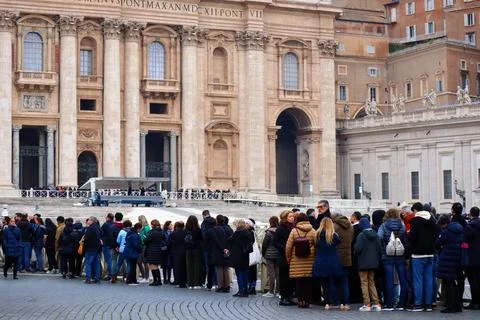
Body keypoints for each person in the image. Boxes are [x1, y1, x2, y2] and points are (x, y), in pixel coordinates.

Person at [408, 202, 440, 312]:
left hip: (418, 254)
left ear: (415, 211)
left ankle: (418, 304)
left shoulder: (416, 221)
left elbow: (412, 237)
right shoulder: (432, 220)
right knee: (429, 279)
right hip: (430, 253)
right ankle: (429, 304)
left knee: (418, 279)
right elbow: (437, 233)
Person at [377, 208, 407, 311]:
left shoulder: (384, 225)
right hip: (400, 255)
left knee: (389, 280)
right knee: (403, 280)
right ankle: (401, 304)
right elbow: (405, 239)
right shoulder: (402, 225)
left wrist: (383, 248)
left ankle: (389, 304)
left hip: (387, 255)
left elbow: (379, 237)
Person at [312, 217, 345, 310]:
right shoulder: (334, 236)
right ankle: (342, 303)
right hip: (333, 261)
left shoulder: (317, 235)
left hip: (321, 261)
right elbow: (338, 242)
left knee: (325, 284)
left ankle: (327, 303)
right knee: (338, 283)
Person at [285, 212, 316, 308]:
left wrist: (288, 258)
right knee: (308, 282)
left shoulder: (294, 231)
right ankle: (307, 301)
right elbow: (316, 245)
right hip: (309, 260)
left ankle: (300, 301)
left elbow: (288, 247)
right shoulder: (312, 231)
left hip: (296, 260)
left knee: (299, 282)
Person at [436, 215, 464, 313]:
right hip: (456, 258)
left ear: (444, 224)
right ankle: (457, 305)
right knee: (453, 283)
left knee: (448, 283)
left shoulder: (446, 232)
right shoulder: (459, 229)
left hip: (447, 258)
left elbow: (438, 243)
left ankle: (451, 306)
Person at [354, 217, 382, 312]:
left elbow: (357, 249)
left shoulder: (361, 235)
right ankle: (376, 303)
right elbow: (379, 249)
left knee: (364, 283)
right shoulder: (376, 234)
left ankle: (367, 304)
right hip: (374, 263)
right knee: (372, 283)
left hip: (363, 262)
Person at [205, 214, 233, 293]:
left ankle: (221, 286)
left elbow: (214, 240)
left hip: (218, 251)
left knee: (219, 269)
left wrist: (222, 249)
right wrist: (227, 249)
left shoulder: (214, 229)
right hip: (227, 251)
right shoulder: (228, 229)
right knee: (226, 268)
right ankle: (227, 286)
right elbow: (232, 239)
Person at [228, 219, 254, 297]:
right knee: (245, 273)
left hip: (238, 256)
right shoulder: (248, 233)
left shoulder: (237, 233)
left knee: (239, 273)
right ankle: (245, 290)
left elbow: (229, 240)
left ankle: (241, 290)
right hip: (245, 256)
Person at [273, 210, 295, 306]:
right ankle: (283, 298)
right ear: (285, 218)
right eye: (290, 216)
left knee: (290, 279)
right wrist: (285, 248)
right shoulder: (281, 228)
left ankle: (289, 296)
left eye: (293, 216)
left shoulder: (293, 227)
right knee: (284, 278)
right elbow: (275, 242)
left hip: (292, 257)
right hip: (283, 257)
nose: (292, 218)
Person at [332, 213, 353, 309]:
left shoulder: (334, 227)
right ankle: (346, 301)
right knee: (345, 281)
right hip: (347, 257)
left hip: (336, 256)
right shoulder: (351, 227)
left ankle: (336, 301)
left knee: (335, 280)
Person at [143, 219, 167, 286]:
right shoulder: (161, 232)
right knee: (156, 266)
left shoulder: (152, 233)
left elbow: (146, 241)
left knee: (152, 266)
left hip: (151, 251)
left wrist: (144, 238)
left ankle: (155, 281)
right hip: (159, 250)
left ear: (153, 225)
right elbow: (164, 240)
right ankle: (159, 281)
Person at [465, 206, 480, 310]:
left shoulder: (470, 226)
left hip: (472, 256)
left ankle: (475, 301)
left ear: (471, 214)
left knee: (473, 280)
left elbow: (465, 239)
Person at [261, 216, 280, 298]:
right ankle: (278, 291)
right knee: (278, 274)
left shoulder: (268, 232)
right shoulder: (279, 231)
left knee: (271, 273)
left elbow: (265, 244)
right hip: (278, 254)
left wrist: (264, 253)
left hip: (269, 254)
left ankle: (271, 291)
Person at [185, 215, 205, 289]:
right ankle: (196, 283)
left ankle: (190, 283)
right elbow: (201, 240)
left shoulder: (186, 230)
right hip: (197, 249)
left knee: (189, 267)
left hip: (188, 249)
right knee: (197, 267)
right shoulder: (198, 230)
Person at [201, 209, 217, 290]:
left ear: (203, 215)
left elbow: (203, 235)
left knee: (208, 266)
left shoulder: (204, 223)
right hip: (215, 247)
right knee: (215, 265)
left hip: (207, 247)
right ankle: (216, 283)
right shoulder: (215, 221)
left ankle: (210, 283)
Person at [84, 216, 102, 284]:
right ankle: (97, 278)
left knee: (88, 263)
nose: (88, 221)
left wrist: (85, 246)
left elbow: (86, 238)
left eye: (89, 220)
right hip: (97, 248)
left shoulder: (90, 228)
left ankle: (88, 278)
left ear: (91, 221)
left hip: (90, 248)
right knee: (97, 263)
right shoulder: (98, 227)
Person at [169, 221, 187, 288]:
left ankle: (177, 281)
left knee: (176, 267)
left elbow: (170, 242)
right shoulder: (185, 233)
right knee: (184, 267)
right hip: (184, 251)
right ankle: (184, 281)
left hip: (175, 251)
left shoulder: (173, 233)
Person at [100, 213, 115, 281]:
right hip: (113, 244)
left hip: (106, 244)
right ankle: (113, 274)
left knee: (108, 260)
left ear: (108, 217)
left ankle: (110, 275)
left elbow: (100, 233)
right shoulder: (114, 224)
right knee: (112, 260)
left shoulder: (105, 224)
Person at [137, 215, 151, 284]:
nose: (138, 221)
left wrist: (143, 240)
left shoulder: (146, 227)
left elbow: (148, 237)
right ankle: (143, 276)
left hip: (145, 246)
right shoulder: (141, 227)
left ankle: (147, 277)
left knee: (145, 262)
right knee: (139, 262)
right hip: (140, 246)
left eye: (139, 220)